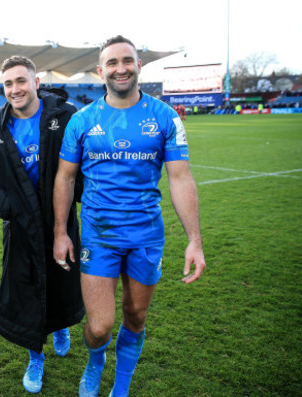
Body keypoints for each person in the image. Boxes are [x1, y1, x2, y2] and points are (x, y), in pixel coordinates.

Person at [53, 35, 206, 397]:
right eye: (112, 62)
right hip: (98, 234)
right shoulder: (83, 120)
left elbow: (180, 177)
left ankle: (120, 387)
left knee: (136, 317)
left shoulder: (165, 117)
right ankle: (95, 362)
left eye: (127, 61)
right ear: (100, 70)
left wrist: (195, 241)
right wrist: (61, 232)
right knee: (101, 326)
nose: (120, 68)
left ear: (139, 65)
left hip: (145, 235)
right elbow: (65, 177)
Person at [0, 56, 84, 394]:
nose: (14, 89)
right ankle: (36, 356)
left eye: (21, 81)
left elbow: (86, 161)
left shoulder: (65, 118)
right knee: (25, 291)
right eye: (8, 84)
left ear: (36, 83)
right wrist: (8, 207)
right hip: (21, 227)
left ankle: (61, 327)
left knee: (63, 282)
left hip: (62, 221)